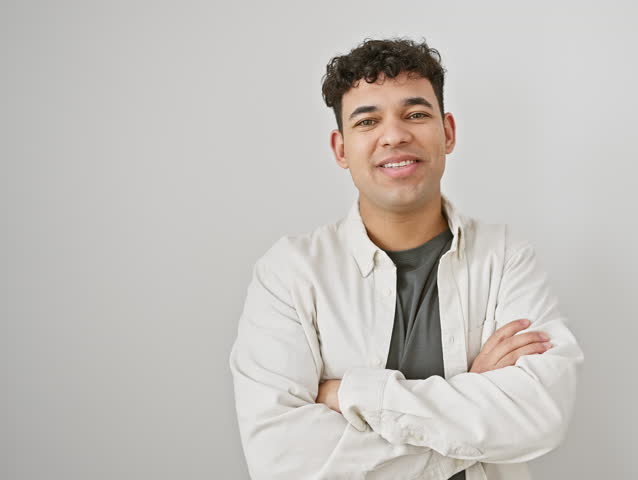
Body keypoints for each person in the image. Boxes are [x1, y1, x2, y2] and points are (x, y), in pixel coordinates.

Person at [229, 38, 584, 480]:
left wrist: (354, 395)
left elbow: (540, 416)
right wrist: (472, 411)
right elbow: (281, 460)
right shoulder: (289, 273)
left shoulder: (506, 256)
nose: (394, 135)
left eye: (415, 114)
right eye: (368, 120)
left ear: (448, 132)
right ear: (340, 149)